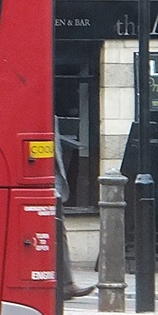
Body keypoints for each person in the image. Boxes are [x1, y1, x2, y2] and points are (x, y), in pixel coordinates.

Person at [56, 118, 96, 300]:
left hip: (51, 185)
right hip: (34, 183)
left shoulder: (48, 114)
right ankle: (65, 284)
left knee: (59, 232)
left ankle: (66, 284)